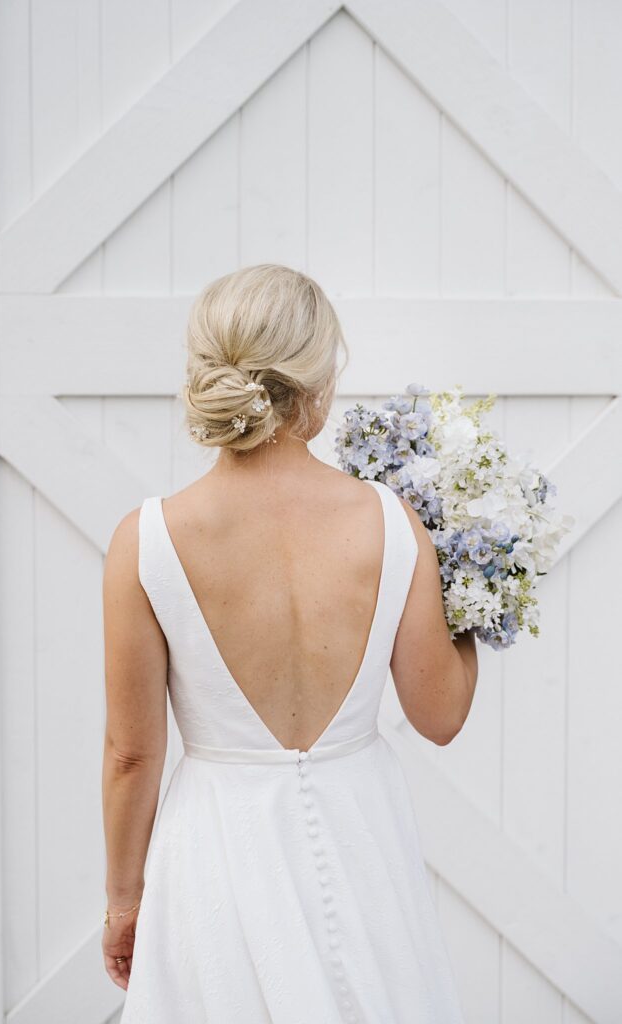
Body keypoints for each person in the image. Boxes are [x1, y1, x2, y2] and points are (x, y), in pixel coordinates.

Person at [101, 264, 477, 1022]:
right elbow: (439, 716)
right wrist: (468, 610)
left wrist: (123, 901)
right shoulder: (390, 522)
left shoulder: (145, 541)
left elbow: (132, 755)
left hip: (216, 844)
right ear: (317, 382)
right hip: (359, 830)